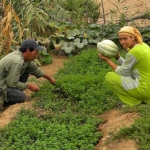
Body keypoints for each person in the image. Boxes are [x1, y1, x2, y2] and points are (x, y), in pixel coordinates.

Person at [98, 26, 150, 106]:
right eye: (120, 39)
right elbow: (127, 66)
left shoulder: (134, 52)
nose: (122, 42)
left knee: (110, 77)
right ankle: (144, 98)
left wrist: (107, 60)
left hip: (144, 89)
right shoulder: (143, 46)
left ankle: (135, 101)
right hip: (148, 87)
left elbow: (123, 72)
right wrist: (117, 57)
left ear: (132, 37)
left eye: (125, 39)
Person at [0, 39, 56, 111]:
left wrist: (50, 79)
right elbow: (12, 83)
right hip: (2, 86)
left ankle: (12, 94)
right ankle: (4, 102)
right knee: (21, 97)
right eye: (35, 53)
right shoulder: (17, 61)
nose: (36, 56)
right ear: (28, 50)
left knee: (25, 72)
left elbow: (36, 70)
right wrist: (29, 86)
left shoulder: (25, 58)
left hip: (5, 82)